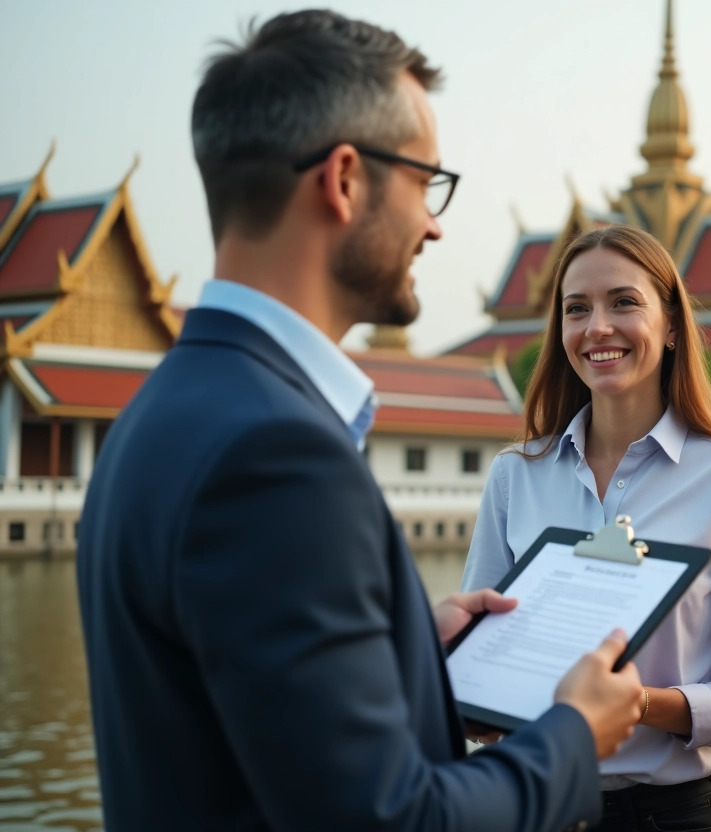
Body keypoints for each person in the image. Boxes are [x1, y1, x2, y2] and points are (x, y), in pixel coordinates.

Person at [76, 11, 642, 832]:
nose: (436, 223)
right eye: (426, 183)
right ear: (344, 180)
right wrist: (573, 733)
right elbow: (390, 820)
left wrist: (414, 651)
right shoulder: (275, 453)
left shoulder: (165, 411)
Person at [461, 225, 711, 832]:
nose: (597, 327)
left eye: (623, 302)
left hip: (670, 815)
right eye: (577, 309)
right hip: (530, 805)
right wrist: (472, 700)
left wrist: (644, 707)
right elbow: (475, 656)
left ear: (674, 325)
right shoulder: (516, 476)